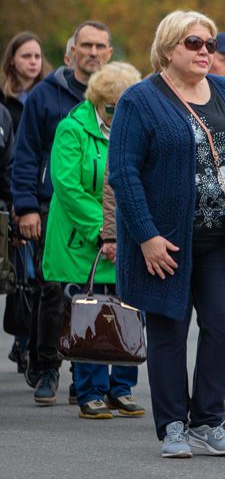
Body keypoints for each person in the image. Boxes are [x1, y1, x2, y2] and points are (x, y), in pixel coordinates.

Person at [108, 10, 225, 458]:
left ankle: (208, 421)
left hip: (222, 241)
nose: (204, 52)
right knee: (168, 334)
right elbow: (123, 173)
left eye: (209, 45)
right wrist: (146, 236)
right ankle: (173, 425)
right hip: (167, 242)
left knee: (223, 325)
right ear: (168, 47)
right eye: (193, 43)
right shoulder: (140, 100)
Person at [12, 21, 114, 404]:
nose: (92, 52)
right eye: (85, 45)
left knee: (93, 294)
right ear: (71, 52)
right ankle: (46, 366)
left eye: (100, 46)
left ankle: (82, 374)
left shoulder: (116, 95)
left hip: (101, 210)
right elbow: (25, 153)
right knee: (52, 290)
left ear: (109, 52)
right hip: (50, 205)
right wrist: (25, 207)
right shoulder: (45, 95)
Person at [43, 62, 144, 419]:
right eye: (111, 107)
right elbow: (68, 187)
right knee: (91, 312)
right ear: (97, 100)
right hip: (82, 237)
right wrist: (103, 231)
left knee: (128, 311)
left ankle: (122, 387)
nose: (117, 114)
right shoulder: (72, 129)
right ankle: (89, 390)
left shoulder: (133, 127)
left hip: (125, 236)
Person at [1, 31, 50, 131]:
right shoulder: (2, 96)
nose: (33, 61)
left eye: (37, 56)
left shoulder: (51, 94)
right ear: (12, 60)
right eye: (26, 56)